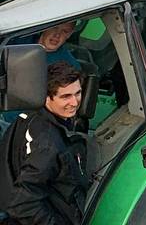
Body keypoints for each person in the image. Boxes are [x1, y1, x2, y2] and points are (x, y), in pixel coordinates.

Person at [1, 62, 89, 225]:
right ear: (47, 97)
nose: (75, 102)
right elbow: (23, 205)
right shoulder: (48, 145)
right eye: (65, 96)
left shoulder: (28, 117)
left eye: (77, 93)